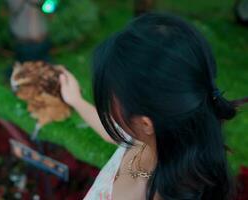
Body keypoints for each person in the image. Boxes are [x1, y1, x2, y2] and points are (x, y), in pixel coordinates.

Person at [58, 12, 248, 200]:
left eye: (111, 101)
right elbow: (115, 133)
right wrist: (76, 100)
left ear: (146, 124)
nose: (108, 109)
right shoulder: (164, 137)